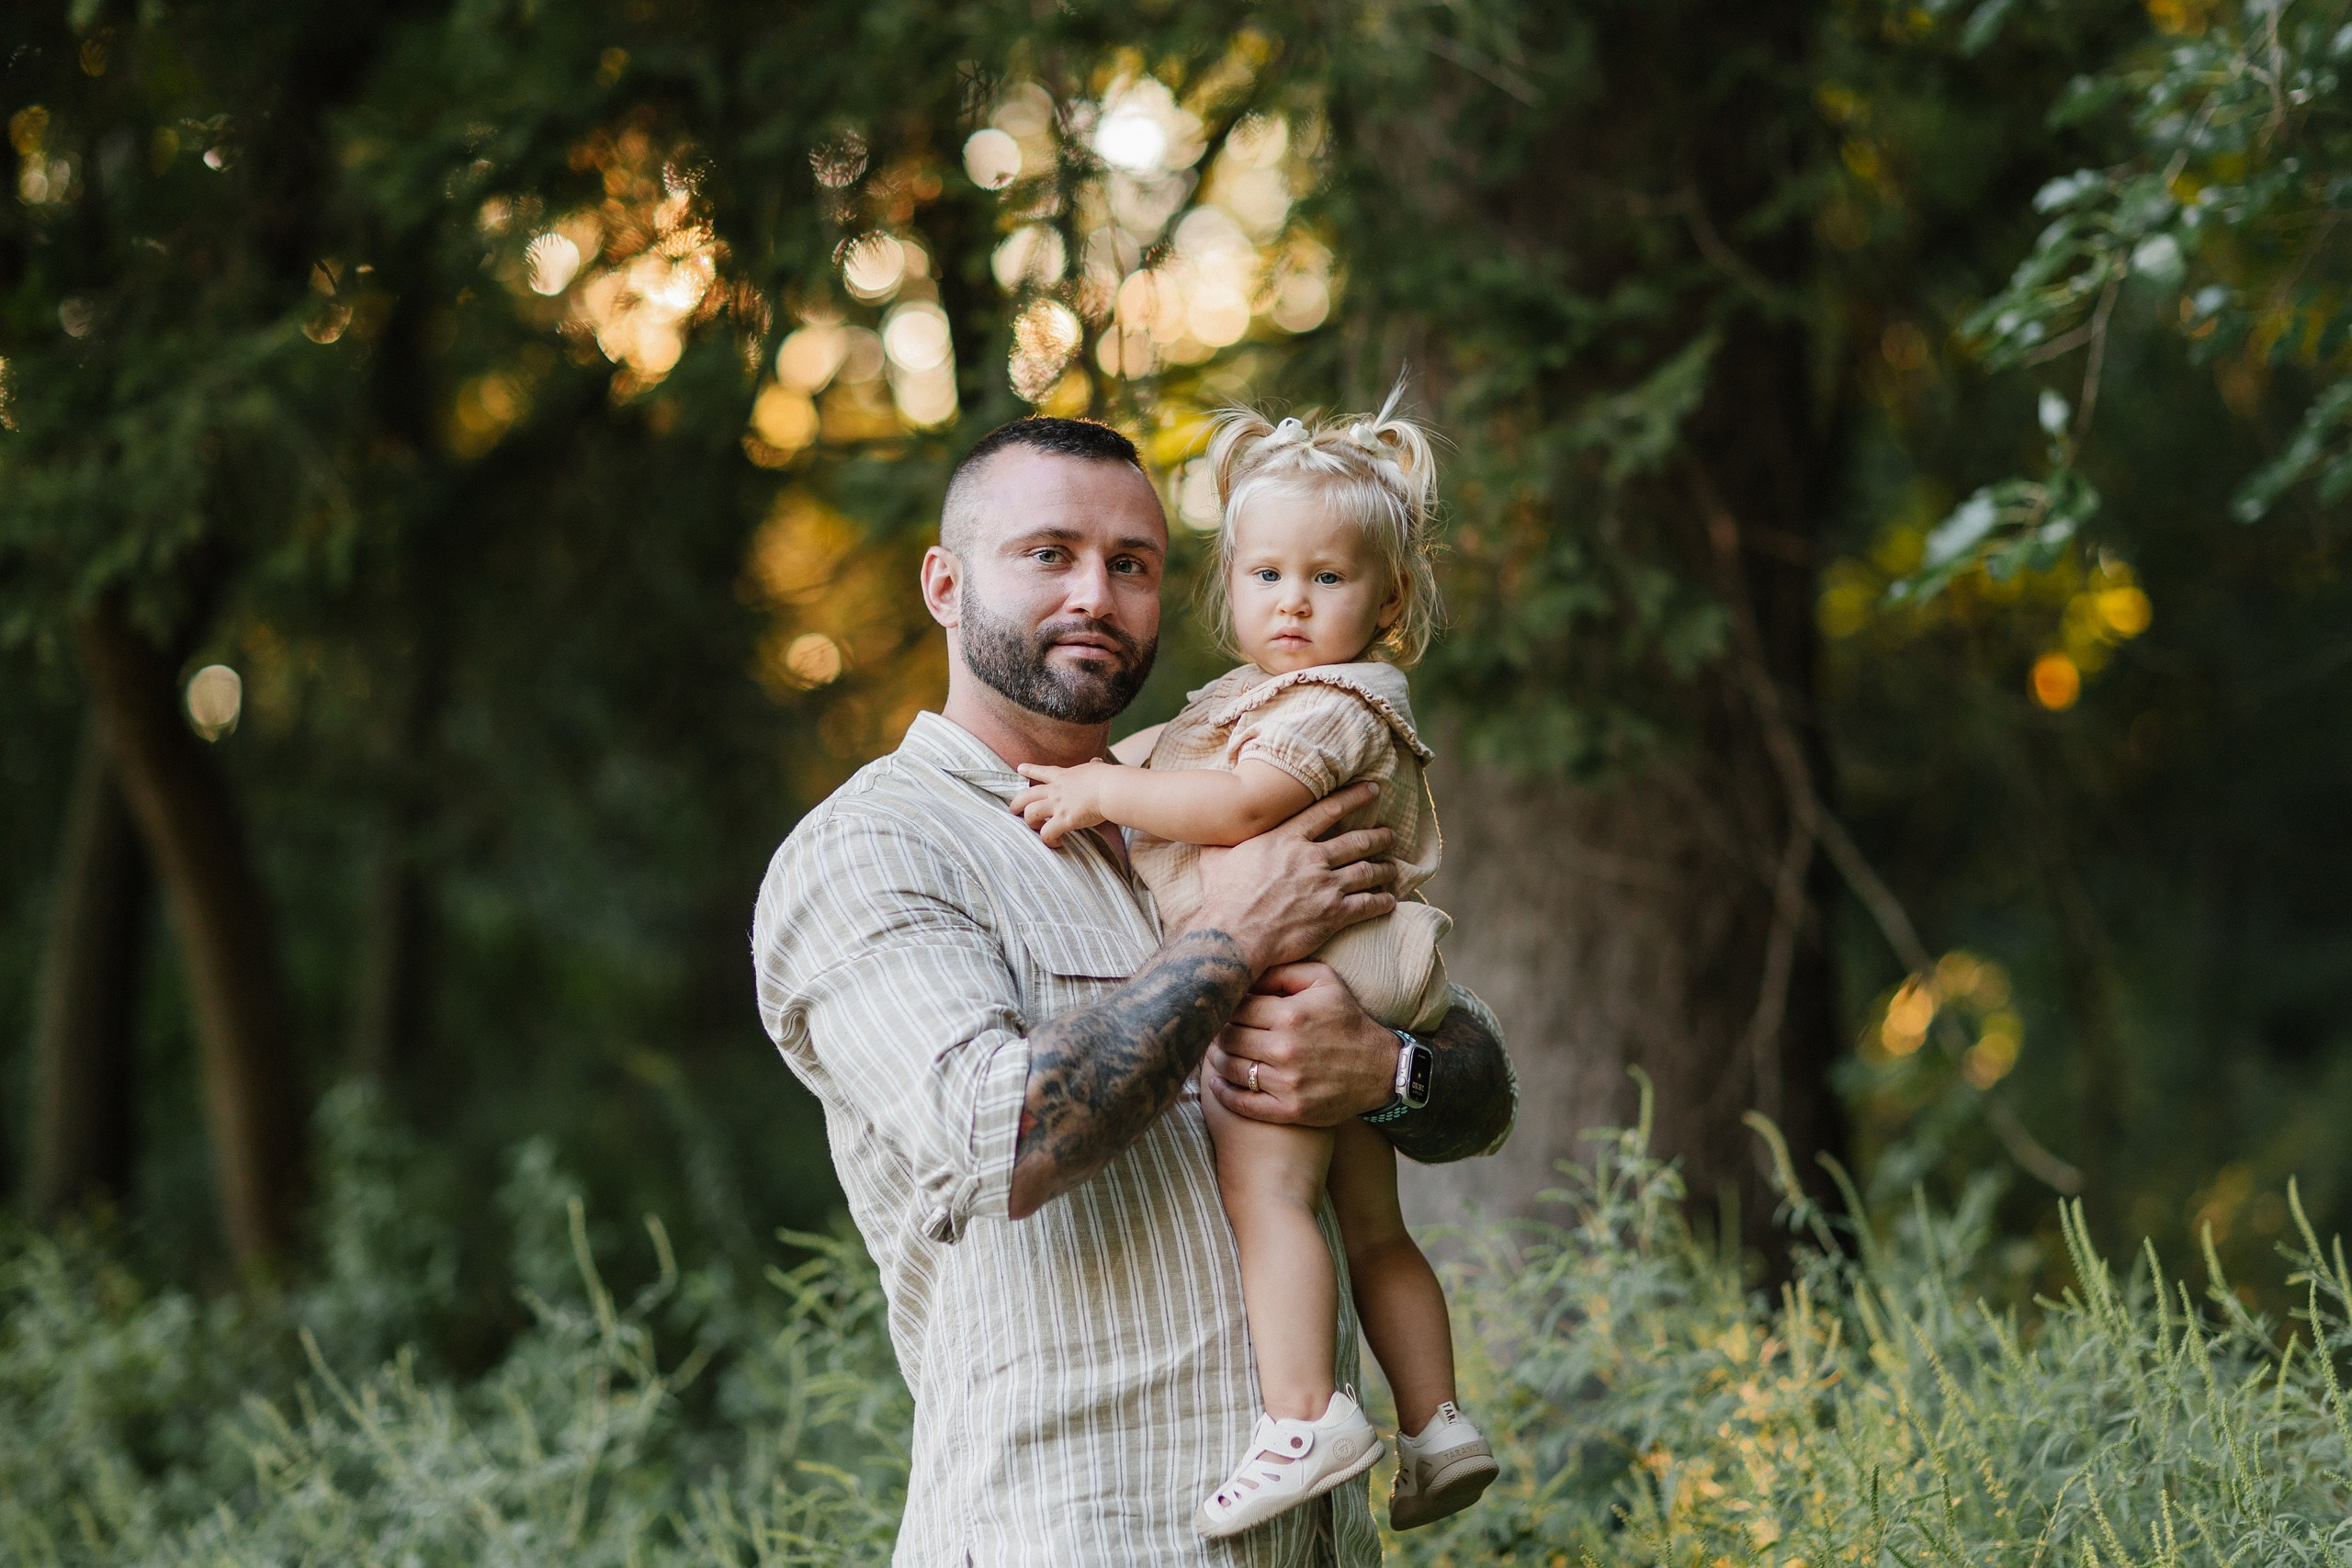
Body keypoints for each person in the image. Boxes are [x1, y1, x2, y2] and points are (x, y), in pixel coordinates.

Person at [751, 416, 1516, 1567]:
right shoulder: (875, 848)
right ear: (945, 584)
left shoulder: (1217, 782)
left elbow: (1481, 1086)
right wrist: (1231, 935)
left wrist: (1386, 1069)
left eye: (1133, 564)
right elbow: (993, 1135)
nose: (1096, 596)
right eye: (1048, 554)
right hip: (1075, 1535)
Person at [1008, 391, 1497, 1538]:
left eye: (1327, 580)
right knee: (1371, 1226)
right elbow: (1165, 755)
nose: (1291, 602)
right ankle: (1436, 1426)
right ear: (1228, 586)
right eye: (1266, 574)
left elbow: (1232, 802)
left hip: (1305, 978)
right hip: (1355, 985)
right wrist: (1098, 767)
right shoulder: (1250, 699)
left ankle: (1303, 1415)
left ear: (1388, 601)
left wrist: (1094, 792)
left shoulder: (1331, 705)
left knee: (1266, 1192)